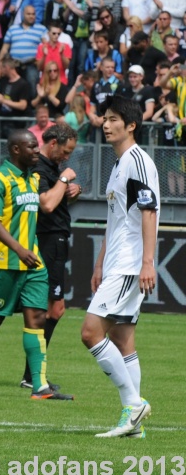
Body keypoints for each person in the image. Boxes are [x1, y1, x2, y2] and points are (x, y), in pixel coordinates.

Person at [0, 129, 73, 400]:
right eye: (32, 146)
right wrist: (19, 248)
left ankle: (39, 386)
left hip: (32, 262)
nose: (37, 150)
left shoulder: (33, 180)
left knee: (37, 318)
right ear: (16, 150)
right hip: (4, 261)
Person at [80, 96, 158, 438]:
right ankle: (134, 426)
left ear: (131, 125)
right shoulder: (118, 164)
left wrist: (146, 263)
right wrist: (99, 263)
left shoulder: (138, 161)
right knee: (123, 339)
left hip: (129, 264)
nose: (105, 124)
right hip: (116, 263)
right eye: (104, 118)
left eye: (113, 119)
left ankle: (133, 404)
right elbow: (116, 221)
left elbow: (149, 212)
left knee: (90, 332)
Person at [16, 124, 79, 388]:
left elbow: (56, 199)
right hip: (49, 240)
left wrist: (73, 192)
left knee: (50, 309)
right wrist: (65, 180)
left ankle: (31, 375)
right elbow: (47, 203)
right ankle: (32, 376)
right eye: (66, 151)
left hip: (57, 239)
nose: (67, 157)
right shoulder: (41, 168)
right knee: (53, 308)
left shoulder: (50, 168)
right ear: (52, 143)